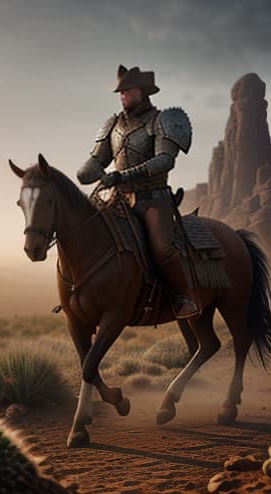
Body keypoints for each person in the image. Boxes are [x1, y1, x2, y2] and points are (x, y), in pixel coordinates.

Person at [77, 65, 198, 318]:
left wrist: (122, 176)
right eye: (120, 92)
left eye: (127, 91)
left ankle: (182, 296)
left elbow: (165, 160)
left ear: (142, 92)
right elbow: (98, 159)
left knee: (162, 249)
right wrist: (85, 172)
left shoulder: (163, 120)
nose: (122, 96)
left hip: (153, 200)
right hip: (118, 201)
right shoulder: (113, 124)